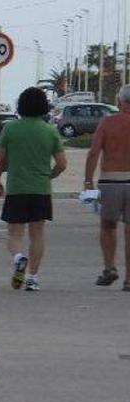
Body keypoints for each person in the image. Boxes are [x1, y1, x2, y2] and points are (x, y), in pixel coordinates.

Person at [0, 87, 68, 291]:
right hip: (41, 190)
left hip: (17, 188)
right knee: (37, 234)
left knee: (15, 233)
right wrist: (49, 176)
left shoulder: (10, 129)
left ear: (21, 105)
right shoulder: (50, 131)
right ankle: (33, 278)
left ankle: (18, 258)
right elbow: (62, 163)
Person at [84, 84, 130, 291]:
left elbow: (94, 152)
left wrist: (87, 180)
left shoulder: (107, 123)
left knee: (107, 225)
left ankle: (110, 268)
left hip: (110, 180)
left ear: (120, 101)